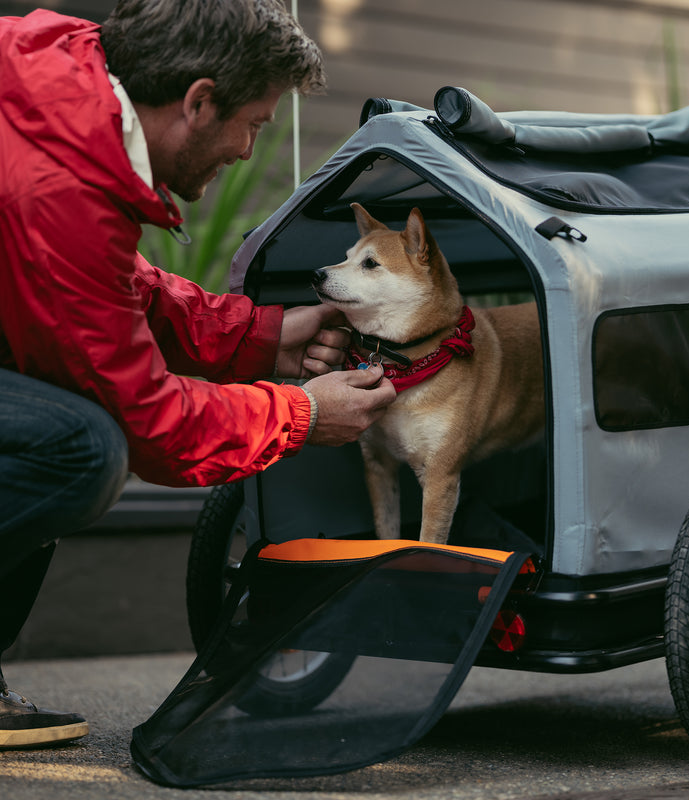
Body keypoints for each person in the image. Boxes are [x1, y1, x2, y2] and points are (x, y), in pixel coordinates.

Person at [0, 0, 395, 749]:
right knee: (76, 444)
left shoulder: (61, 97)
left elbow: (110, 290)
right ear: (198, 101)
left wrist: (264, 336)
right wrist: (301, 413)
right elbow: (148, 419)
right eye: (252, 122)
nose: (248, 150)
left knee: (56, 416)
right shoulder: (56, 185)